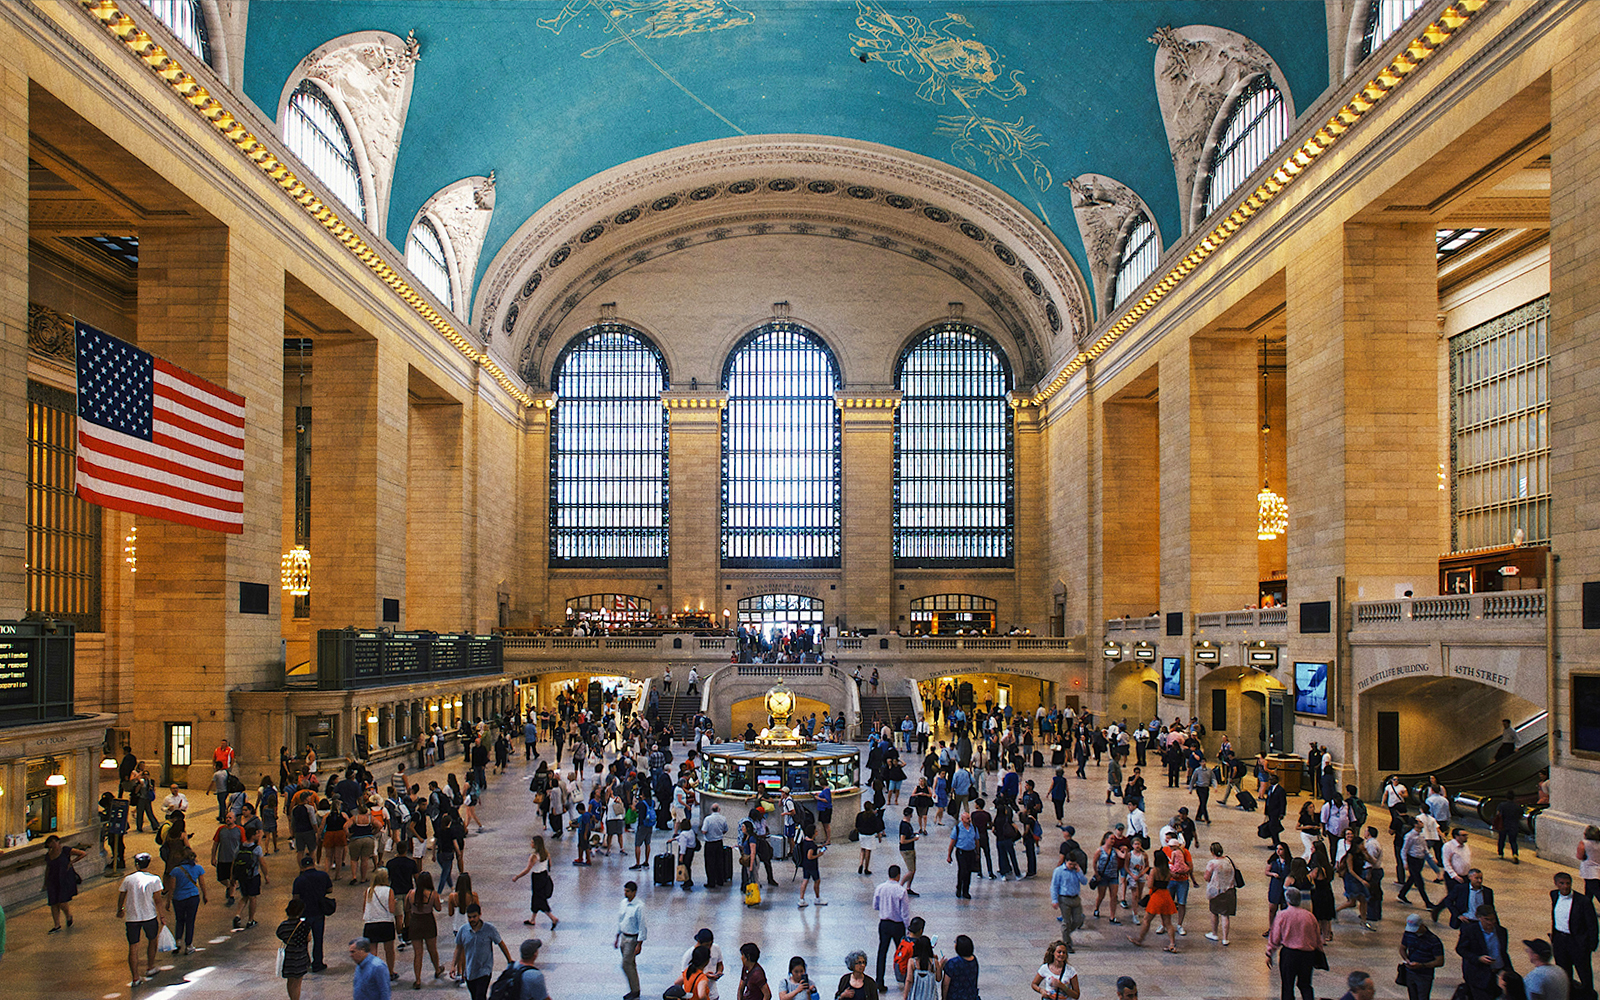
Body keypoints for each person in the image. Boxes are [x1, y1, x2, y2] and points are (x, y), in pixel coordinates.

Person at [117, 852, 168, 989]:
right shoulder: (154, 879)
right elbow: (157, 900)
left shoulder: (128, 879)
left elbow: (122, 896)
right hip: (149, 916)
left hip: (132, 918)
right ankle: (150, 966)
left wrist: (120, 909)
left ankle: (135, 977)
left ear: (136, 864)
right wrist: (162, 915)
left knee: (133, 946)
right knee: (152, 940)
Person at [1268, 886, 1324, 1000]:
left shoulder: (1282, 915)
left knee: (1287, 986)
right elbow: (1317, 938)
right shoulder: (1310, 916)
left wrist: (1269, 953)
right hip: (1308, 955)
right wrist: (1319, 952)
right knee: (1305, 984)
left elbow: (1275, 937)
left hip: (1290, 954)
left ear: (1287, 899)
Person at [1549, 872, 1596, 999]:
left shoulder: (1583, 901)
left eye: (1568, 883)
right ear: (1556, 884)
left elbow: (1592, 924)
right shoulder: (1554, 895)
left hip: (1577, 941)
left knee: (1584, 972)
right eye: (1562, 883)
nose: (1565, 886)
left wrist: (1591, 944)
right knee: (1564, 971)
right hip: (1560, 940)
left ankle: (1588, 996)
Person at [452, 905, 511, 1000]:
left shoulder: (489, 929)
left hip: (484, 970)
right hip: (470, 971)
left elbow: (500, 943)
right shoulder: (463, 930)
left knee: (480, 996)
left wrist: (509, 960)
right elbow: (458, 948)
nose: (472, 919)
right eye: (469, 917)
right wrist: (453, 966)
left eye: (474, 916)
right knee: (475, 996)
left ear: (480, 915)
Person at [1458, 906, 1514, 1000]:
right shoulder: (1470, 931)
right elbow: (1461, 949)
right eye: (1487, 919)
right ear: (1479, 917)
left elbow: (1503, 952)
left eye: (1493, 919)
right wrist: (1478, 958)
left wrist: (1508, 970)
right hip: (1479, 974)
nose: (1490, 922)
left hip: (1498, 973)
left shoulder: (1501, 931)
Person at [292, 853, 334, 973]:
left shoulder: (299, 880)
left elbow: (295, 897)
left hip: (304, 913)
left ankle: (304, 962)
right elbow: (330, 889)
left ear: (302, 867)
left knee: (303, 938)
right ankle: (318, 963)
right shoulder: (323, 875)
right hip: (319, 911)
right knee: (318, 938)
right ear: (313, 863)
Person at [405, 870, 445, 987]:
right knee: (432, 949)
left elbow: (406, 908)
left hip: (415, 922)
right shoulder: (433, 894)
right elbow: (438, 908)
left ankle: (417, 980)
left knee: (418, 953)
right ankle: (437, 969)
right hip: (428, 922)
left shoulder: (411, 893)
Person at [873, 865, 910, 990]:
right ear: (898, 875)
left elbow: (875, 905)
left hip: (884, 923)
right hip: (897, 924)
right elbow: (905, 912)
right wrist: (908, 928)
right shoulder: (901, 891)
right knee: (901, 952)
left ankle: (879, 980)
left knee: (882, 951)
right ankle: (903, 978)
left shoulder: (880, 888)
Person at [165, 845, 207, 954]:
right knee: (190, 921)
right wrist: (205, 895)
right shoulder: (198, 868)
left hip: (178, 898)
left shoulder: (175, 871)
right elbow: (202, 884)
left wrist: (168, 900)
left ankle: (178, 941)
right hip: (193, 897)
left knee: (179, 920)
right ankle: (189, 945)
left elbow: (172, 887)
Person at [513, 835, 559, 930]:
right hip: (544, 876)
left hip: (537, 878)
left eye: (532, 842)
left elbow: (527, 869)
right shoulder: (546, 853)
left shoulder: (534, 856)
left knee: (539, 899)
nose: (531, 844)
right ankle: (532, 919)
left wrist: (517, 877)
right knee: (536, 898)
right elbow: (549, 865)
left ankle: (553, 918)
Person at [42, 834, 85, 932]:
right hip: (53, 879)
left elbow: (82, 853)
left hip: (64, 878)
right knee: (53, 902)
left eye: (55, 842)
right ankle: (57, 924)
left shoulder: (65, 850)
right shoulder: (48, 855)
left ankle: (68, 915)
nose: (54, 844)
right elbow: (48, 869)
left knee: (62, 901)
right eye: (51, 843)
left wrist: (72, 862)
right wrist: (45, 882)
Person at [1400, 913, 1446, 1000]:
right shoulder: (1408, 934)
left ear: (1422, 925)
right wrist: (1406, 959)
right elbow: (1402, 948)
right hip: (1410, 973)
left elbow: (1440, 961)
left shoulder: (1433, 940)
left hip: (1424, 975)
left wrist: (1422, 965)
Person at [1050, 851, 1089, 953]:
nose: (1072, 866)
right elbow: (1054, 886)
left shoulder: (1076, 871)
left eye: (1074, 864)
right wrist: (1054, 900)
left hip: (1075, 898)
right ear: (1066, 861)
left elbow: (1084, 881)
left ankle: (1065, 933)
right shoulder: (1059, 871)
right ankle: (1067, 943)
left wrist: (1079, 871)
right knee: (1066, 921)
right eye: (1070, 864)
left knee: (1078, 919)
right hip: (1064, 899)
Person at [616, 881, 646, 1000]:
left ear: (634, 892)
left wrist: (639, 944)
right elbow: (621, 919)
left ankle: (635, 990)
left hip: (632, 939)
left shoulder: (639, 906)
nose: (625, 893)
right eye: (625, 890)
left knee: (626, 964)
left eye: (628, 891)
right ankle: (634, 988)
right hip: (624, 936)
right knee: (631, 964)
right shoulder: (623, 903)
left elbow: (642, 926)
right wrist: (617, 936)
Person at [1204, 842, 1237, 945]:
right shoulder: (1229, 861)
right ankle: (1225, 938)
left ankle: (1214, 934)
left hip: (1216, 891)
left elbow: (1206, 877)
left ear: (1212, 851)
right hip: (1229, 890)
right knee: (1225, 915)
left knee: (1214, 912)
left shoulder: (1212, 863)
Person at [947, 810, 978, 900]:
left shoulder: (974, 828)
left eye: (969, 818)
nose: (969, 820)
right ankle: (959, 887)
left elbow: (976, 840)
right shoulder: (957, 828)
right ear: (962, 819)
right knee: (963, 870)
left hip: (971, 852)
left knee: (968, 871)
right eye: (967, 818)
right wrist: (949, 855)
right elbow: (952, 842)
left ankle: (966, 891)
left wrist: (977, 853)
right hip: (961, 852)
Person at [941, 935, 980, 1000]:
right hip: (970, 996)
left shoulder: (952, 963)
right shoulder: (974, 960)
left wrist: (944, 998)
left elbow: (946, 984)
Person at [796, 824, 825, 907]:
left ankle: (801, 899)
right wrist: (819, 855)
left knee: (805, 880)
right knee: (817, 880)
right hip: (812, 866)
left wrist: (818, 847)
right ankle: (817, 898)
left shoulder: (805, 841)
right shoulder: (812, 845)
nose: (817, 832)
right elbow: (810, 856)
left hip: (805, 865)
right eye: (816, 831)